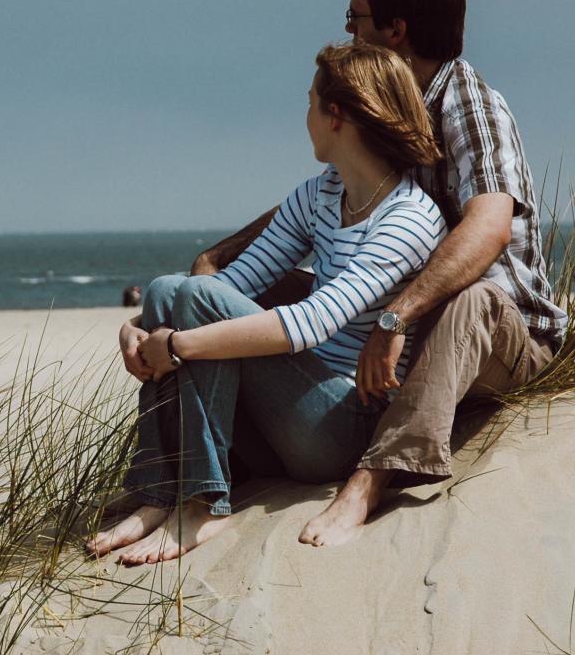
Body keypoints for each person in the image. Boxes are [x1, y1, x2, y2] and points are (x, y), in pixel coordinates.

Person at [190, 0, 567, 546]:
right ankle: (203, 468)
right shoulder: (393, 106)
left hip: (504, 334)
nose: (347, 33)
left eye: (356, 18)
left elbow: (490, 228)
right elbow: (328, 191)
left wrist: (395, 318)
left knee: (470, 300)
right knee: (258, 294)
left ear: (396, 30)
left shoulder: (469, 104)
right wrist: (218, 258)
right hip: (417, 324)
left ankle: (370, 480)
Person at [87, 42, 447, 563]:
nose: (305, 117)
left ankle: (203, 506)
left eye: (310, 103)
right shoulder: (321, 195)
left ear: (336, 116)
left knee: (194, 298)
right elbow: (233, 285)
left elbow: (312, 323)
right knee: (168, 288)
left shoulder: (408, 217)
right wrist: (138, 326)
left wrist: (179, 345)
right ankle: (162, 493)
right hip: (284, 417)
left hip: (340, 428)